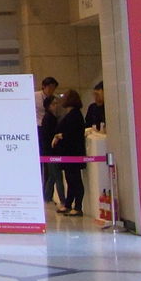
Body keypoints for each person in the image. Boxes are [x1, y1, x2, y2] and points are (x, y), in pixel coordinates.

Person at [52, 88, 87, 217]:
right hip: (68, 153)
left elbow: (73, 134)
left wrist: (60, 136)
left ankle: (78, 206)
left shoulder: (75, 115)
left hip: (73, 152)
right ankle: (68, 204)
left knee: (75, 179)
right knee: (70, 180)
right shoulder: (71, 114)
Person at [39, 93, 63, 206]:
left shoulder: (49, 118)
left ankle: (47, 196)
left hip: (48, 151)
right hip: (51, 151)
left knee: (52, 176)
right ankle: (63, 200)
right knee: (57, 176)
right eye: (53, 104)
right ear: (48, 106)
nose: (56, 106)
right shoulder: (50, 118)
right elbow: (49, 135)